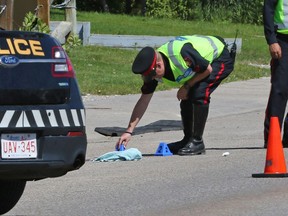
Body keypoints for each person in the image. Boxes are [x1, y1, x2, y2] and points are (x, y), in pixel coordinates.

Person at [115, 35, 235, 155]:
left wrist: (186, 86)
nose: (152, 79)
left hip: (219, 57)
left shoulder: (181, 54)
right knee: (187, 98)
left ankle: (197, 142)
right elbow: (144, 100)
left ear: (159, 65)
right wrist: (129, 131)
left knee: (199, 93)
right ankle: (188, 140)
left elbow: (207, 69)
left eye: (152, 75)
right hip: (202, 65)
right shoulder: (153, 71)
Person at [263, 0, 288, 148]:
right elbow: (268, 9)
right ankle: (271, 136)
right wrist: (271, 39)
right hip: (283, 40)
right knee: (280, 88)